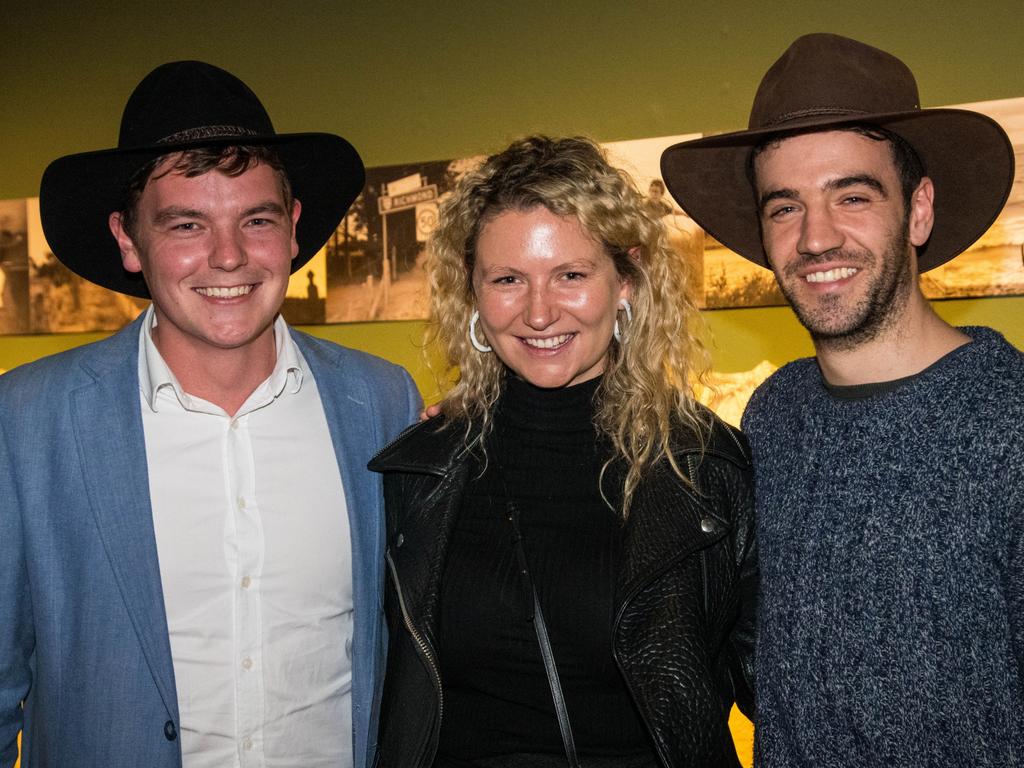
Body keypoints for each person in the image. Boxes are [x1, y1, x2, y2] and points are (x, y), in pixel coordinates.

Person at [0, 61, 421, 768]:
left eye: (254, 219)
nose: (228, 257)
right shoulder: (29, 420)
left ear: (291, 229)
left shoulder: (380, 401)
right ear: (129, 240)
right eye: (187, 224)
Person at [661, 33, 1023, 765]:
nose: (816, 238)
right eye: (785, 208)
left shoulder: (1010, 420)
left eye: (851, 197)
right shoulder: (774, 413)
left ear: (918, 211)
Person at [369, 136, 757, 768]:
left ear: (626, 280)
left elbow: (787, 688)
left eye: (571, 275)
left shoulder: (707, 470)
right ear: (473, 292)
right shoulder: (423, 470)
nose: (539, 312)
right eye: (508, 280)